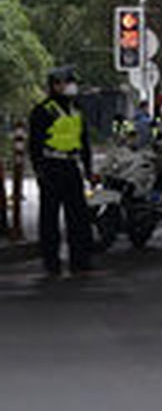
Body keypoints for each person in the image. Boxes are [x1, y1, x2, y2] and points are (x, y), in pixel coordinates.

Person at [29, 66, 94, 278]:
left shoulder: (77, 110)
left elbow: (85, 142)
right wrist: (39, 170)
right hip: (51, 166)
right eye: (68, 82)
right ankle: (52, 262)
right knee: (50, 218)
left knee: (79, 217)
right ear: (56, 85)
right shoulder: (43, 111)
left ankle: (80, 261)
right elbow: (35, 144)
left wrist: (88, 169)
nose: (72, 86)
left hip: (72, 166)